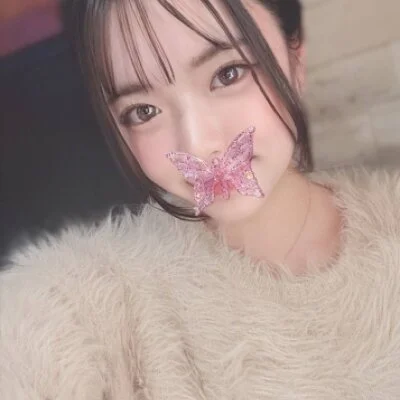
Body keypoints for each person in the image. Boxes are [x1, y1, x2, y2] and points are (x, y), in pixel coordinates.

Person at [1, 0, 400, 398]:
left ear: (296, 59)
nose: (198, 145)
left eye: (228, 74)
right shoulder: (95, 299)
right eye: (143, 111)